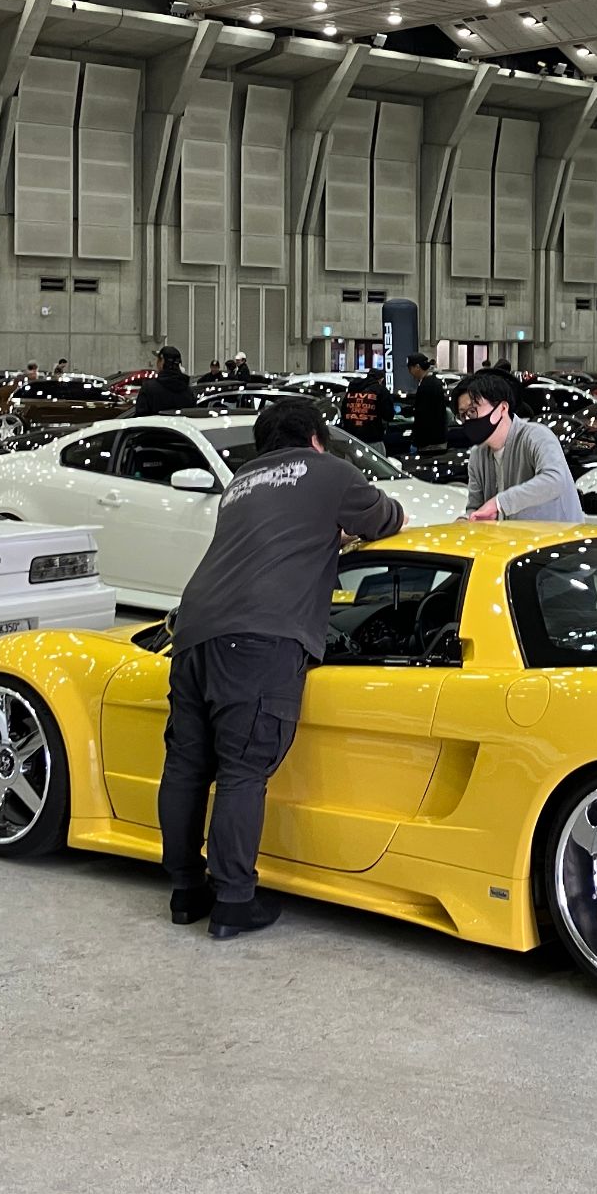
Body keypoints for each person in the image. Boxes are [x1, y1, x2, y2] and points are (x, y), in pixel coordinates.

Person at [160, 397, 405, 938]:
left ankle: (184, 891)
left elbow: (271, 537)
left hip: (193, 632)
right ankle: (233, 901)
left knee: (187, 765)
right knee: (243, 769)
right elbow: (386, 517)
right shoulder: (329, 471)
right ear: (316, 438)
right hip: (260, 638)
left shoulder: (240, 482)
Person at [454, 368, 585, 522]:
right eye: (463, 415)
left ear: (502, 408)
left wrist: (500, 503)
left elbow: (555, 480)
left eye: (472, 411)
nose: (468, 419)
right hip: (512, 536)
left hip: (559, 535)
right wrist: (466, 520)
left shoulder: (536, 436)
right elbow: (476, 508)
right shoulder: (478, 455)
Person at [133, 344, 198, 415]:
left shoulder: (149, 388)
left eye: (158, 360)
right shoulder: (188, 391)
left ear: (162, 362)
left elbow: (140, 416)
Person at [404, 355, 449, 453]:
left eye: (410, 368)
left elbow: (424, 414)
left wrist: (416, 440)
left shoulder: (428, 385)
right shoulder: (432, 382)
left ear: (417, 367)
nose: (409, 372)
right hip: (435, 438)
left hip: (430, 441)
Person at [340, 366, 387, 444]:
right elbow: (388, 415)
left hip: (350, 437)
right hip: (372, 438)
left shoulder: (353, 389)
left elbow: (343, 410)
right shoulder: (381, 391)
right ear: (381, 379)